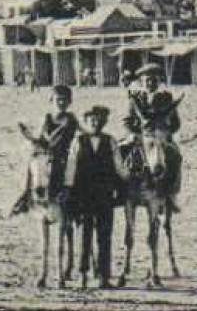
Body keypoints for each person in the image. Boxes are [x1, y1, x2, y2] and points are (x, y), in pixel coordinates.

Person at [65, 105, 120, 288]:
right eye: (92, 119)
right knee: (84, 235)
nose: (95, 122)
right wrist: (68, 189)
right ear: (86, 122)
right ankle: (83, 275)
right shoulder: (78, 141)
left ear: (104, 122)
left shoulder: (110, 141)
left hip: (104, 195)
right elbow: (71, 167)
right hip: (84, 195)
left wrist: (128, 179)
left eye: (99, 119)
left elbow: (119, 166)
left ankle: (104, 276)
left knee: (105, 236)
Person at [17, 85, 80, 215]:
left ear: (70, 101)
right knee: (32, 164)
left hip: (66, 154)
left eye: (65, 100)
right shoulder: (47, 118)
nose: (62, 103)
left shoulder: (71, 118)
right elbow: (39, 137)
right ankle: (25, 195)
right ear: (52, 100)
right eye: (59, 99)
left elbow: (82, 131)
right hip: (48, 153)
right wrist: (28, 136)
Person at [125, 65, 183, 206]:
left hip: (161, 136)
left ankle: (171, 193)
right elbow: (127, 120)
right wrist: (134, 132)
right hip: (141, 135)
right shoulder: (135, 98)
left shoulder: (166, 97)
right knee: (124, 154)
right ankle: (127, 192)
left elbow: (176, 122)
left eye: (154, 80)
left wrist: (168, 132)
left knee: (175, 156)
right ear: (141, 81)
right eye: (147, 80)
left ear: (159, 81)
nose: (150, 83)